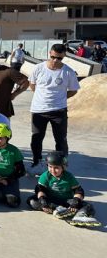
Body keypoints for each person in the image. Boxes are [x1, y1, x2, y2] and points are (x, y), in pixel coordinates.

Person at [28, 43, 80, 175]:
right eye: (53, 57)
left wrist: (61, 97)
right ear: (49, 54)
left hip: (59, 111)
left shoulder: (68, 71)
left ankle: (61, 164)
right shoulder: (38, 68)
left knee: (61, 139)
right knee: (36, 138)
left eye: (60, 58)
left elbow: (74, 90)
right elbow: (32, 84)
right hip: (39, 110)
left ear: (64, 57)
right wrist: (42, 97)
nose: (56, 60)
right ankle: (37, 162)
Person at [27, 151, 101, 228]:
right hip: (50, 200)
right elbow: (40, 189)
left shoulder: (69, 177)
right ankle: (58, 209)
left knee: (88, 206)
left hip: (66, 201)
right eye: (50, 166)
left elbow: (78, 190)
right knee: (31, 201)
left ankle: (79, 215)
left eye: (56, 168)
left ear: (63, 167)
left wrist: (76, 201)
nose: (52, 170)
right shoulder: (45, 176)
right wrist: (42, 200)